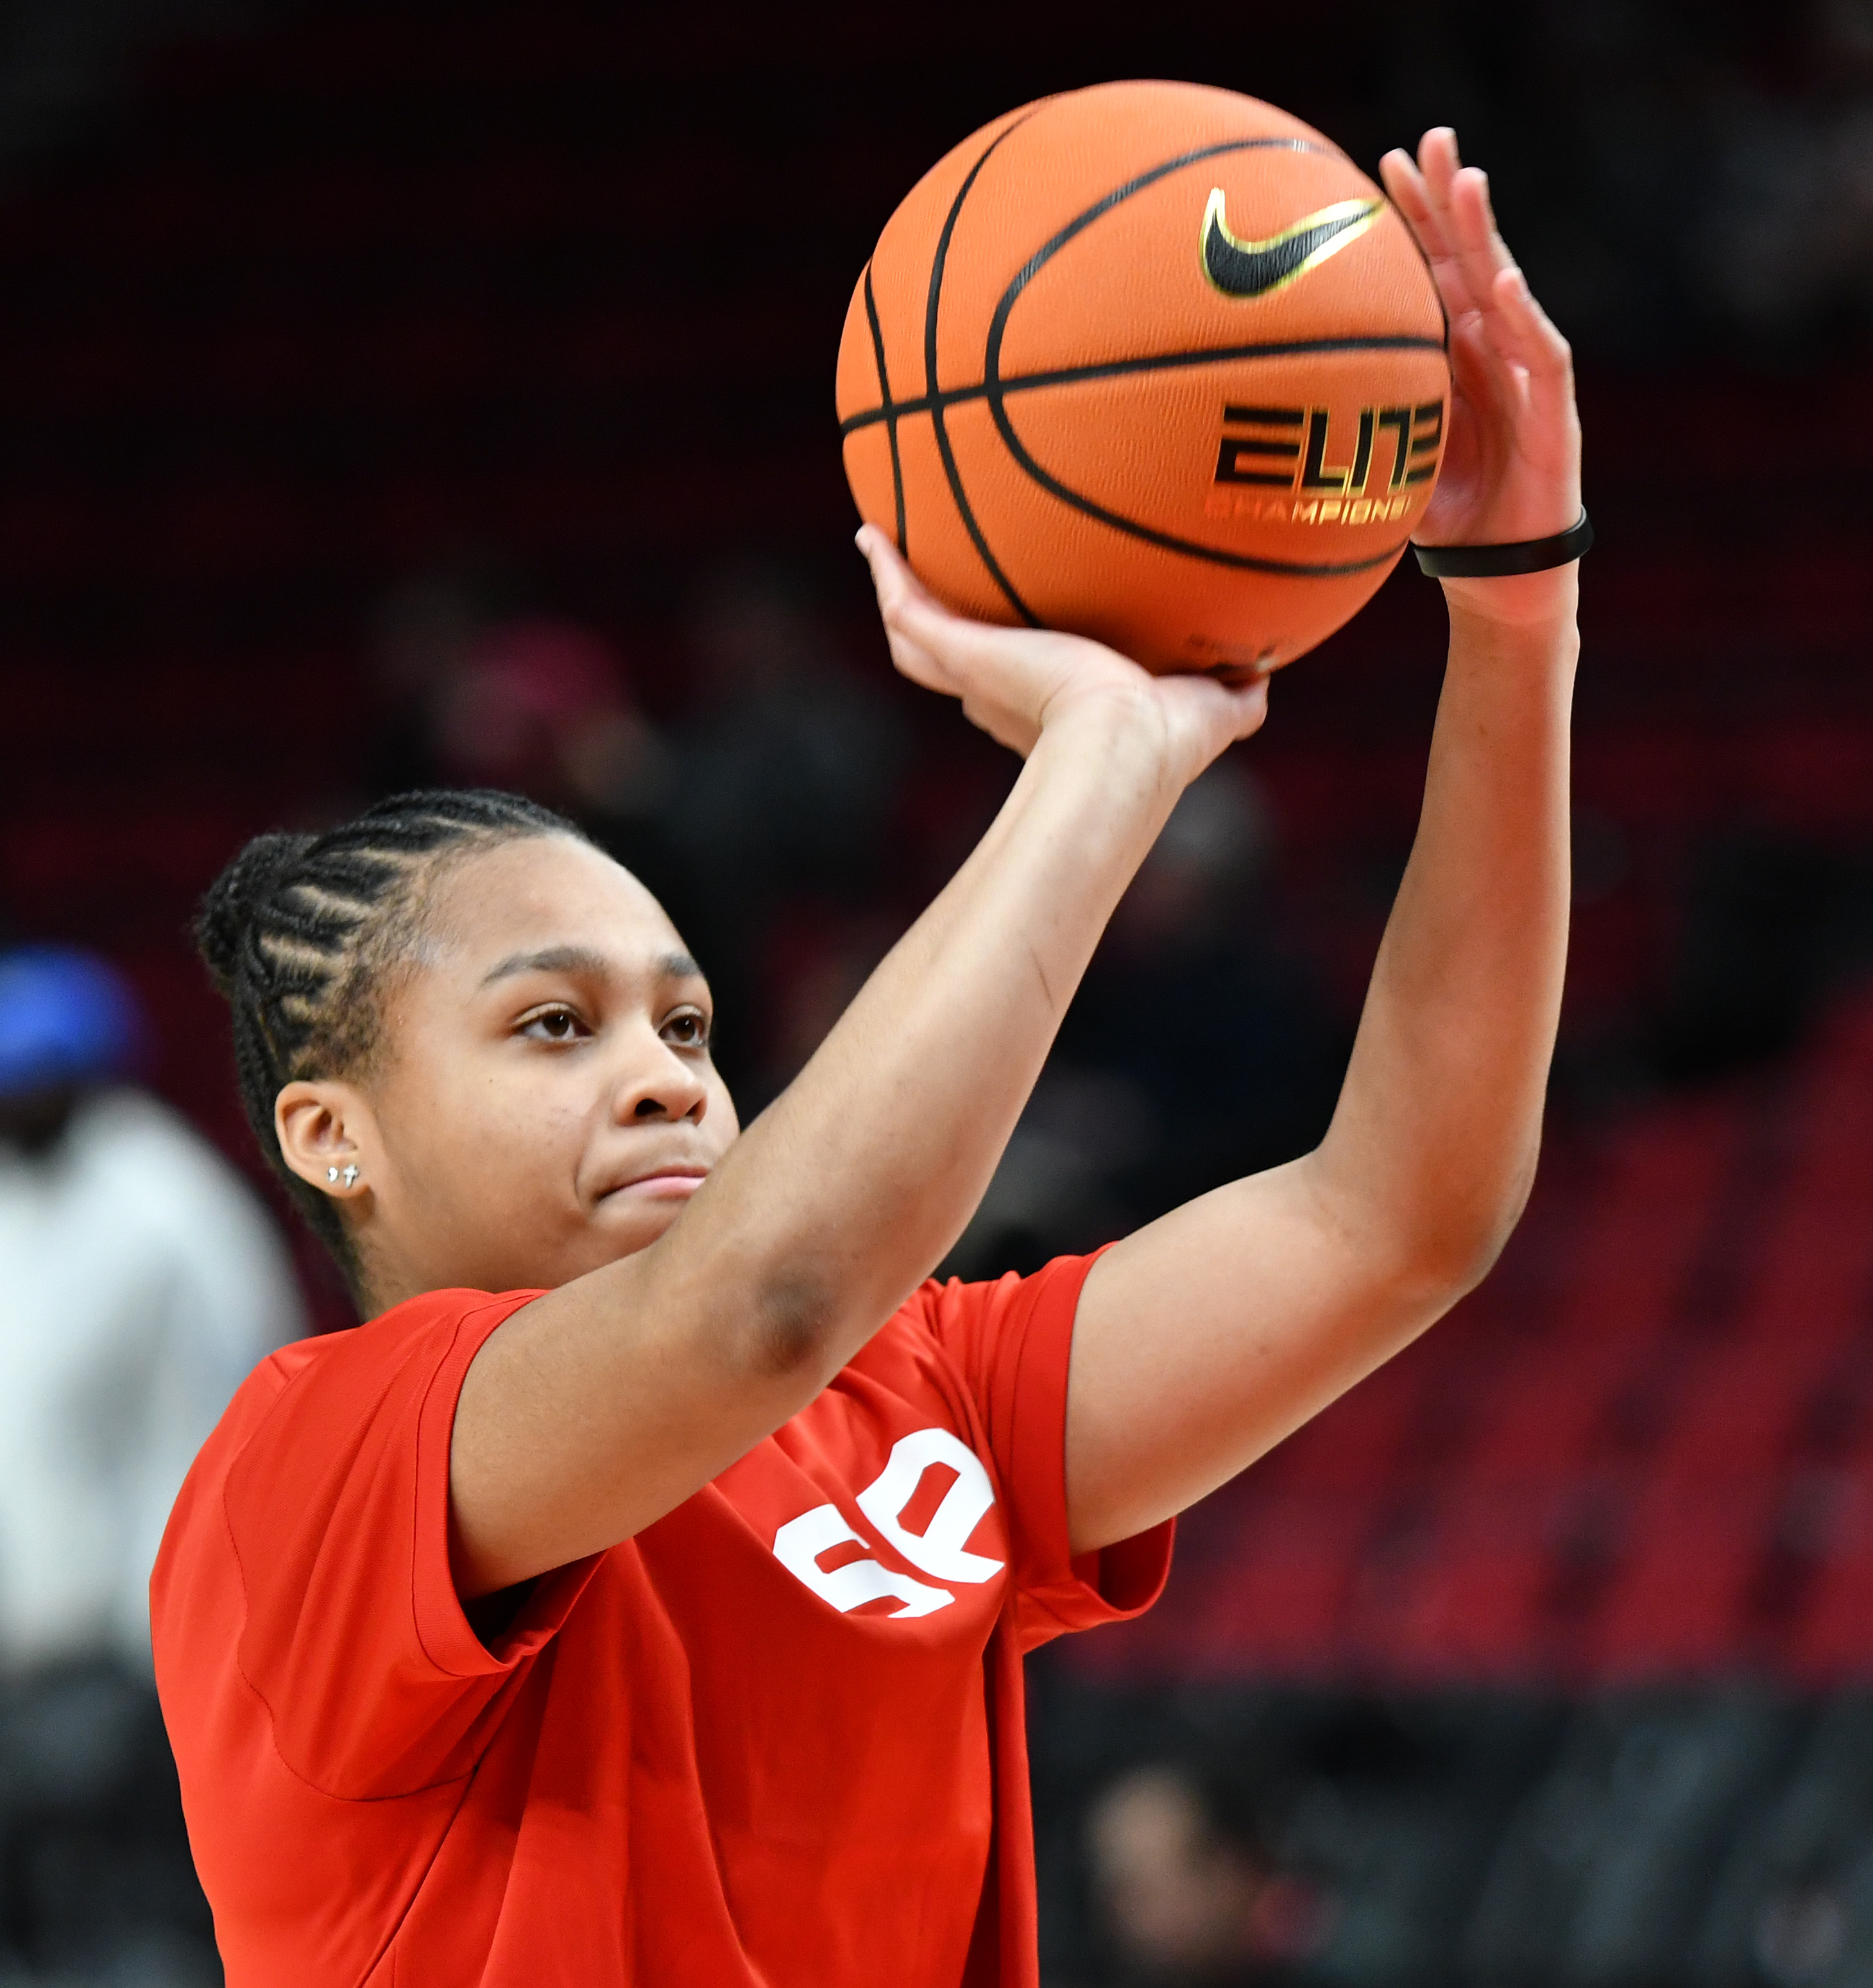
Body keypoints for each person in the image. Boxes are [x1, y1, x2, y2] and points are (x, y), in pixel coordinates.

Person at [155, 130, 1581, 1987]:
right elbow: (767, 1296)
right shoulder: (315, 1468)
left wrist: (1515, 609)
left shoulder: (916, 1397)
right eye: (552, 1024)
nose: (665, 1075)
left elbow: (1398, 1215)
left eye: (686, 1022)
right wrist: (1101, 759)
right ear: (332, 1134)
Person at [0, 946, 302, 1975]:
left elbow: (242, 1434)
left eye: (25, 1082)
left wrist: (179, 1656)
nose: (0, 1103)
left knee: (131, 1942)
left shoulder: (172, 1212)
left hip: (122, 1667)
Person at [1088, 1764, 1296, 1988]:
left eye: (1164, 1890)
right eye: (1130, 1894)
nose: (1150, 1920)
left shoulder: (1309, 1951)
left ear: (1227, 1866)